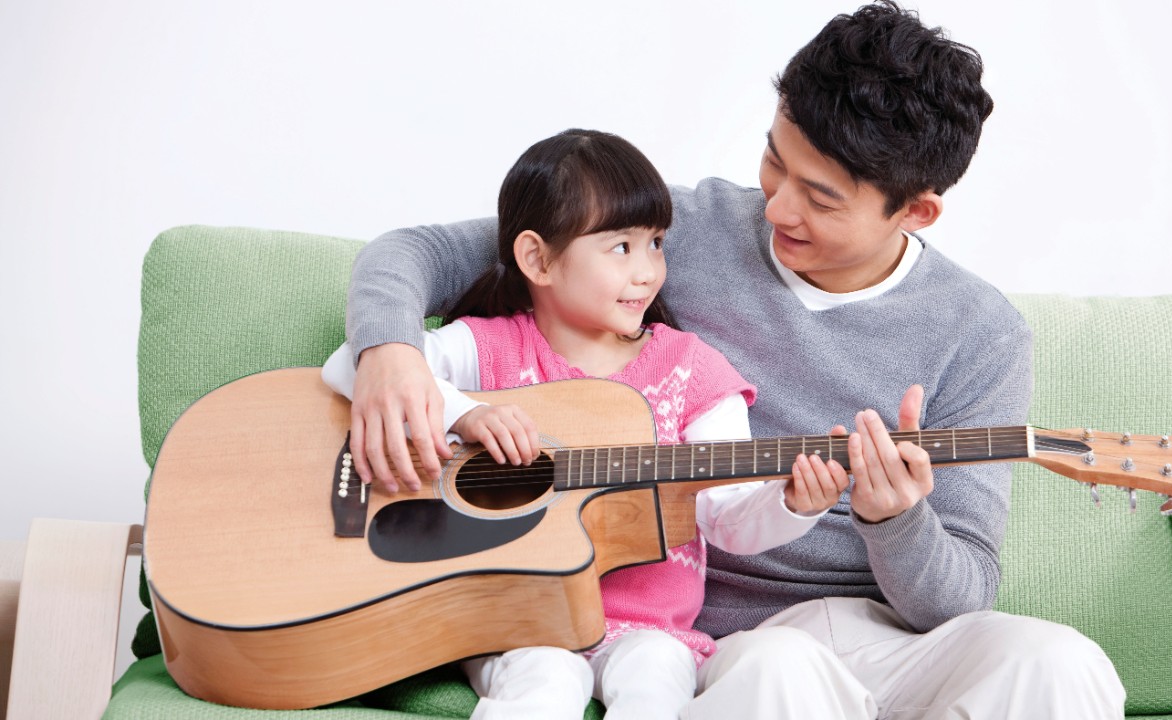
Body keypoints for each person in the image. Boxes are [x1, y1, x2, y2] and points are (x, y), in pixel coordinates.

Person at [339, 3, 1127, 718]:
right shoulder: (678, 234)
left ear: (915, 210)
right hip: (727, 643)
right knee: (782, 671)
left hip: (886, 637)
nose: (778, 206)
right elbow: (420, 253)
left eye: (820, 198)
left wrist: (896, 520)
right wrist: (388, 355)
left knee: (1062, 665)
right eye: (774, 159)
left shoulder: (981, 333)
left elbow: (960, 600)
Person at [323, 129, 852, 719]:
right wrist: (465, 413)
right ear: (537, 259)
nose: (648, 270)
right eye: (620, 247)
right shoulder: (491, 348)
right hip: (519, 618)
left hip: (651, 624)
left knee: (654, 679)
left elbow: (726, 520)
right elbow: (352, 364)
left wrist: (793, 505)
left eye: (655, 243)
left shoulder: (692, 371)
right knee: (546, 679)